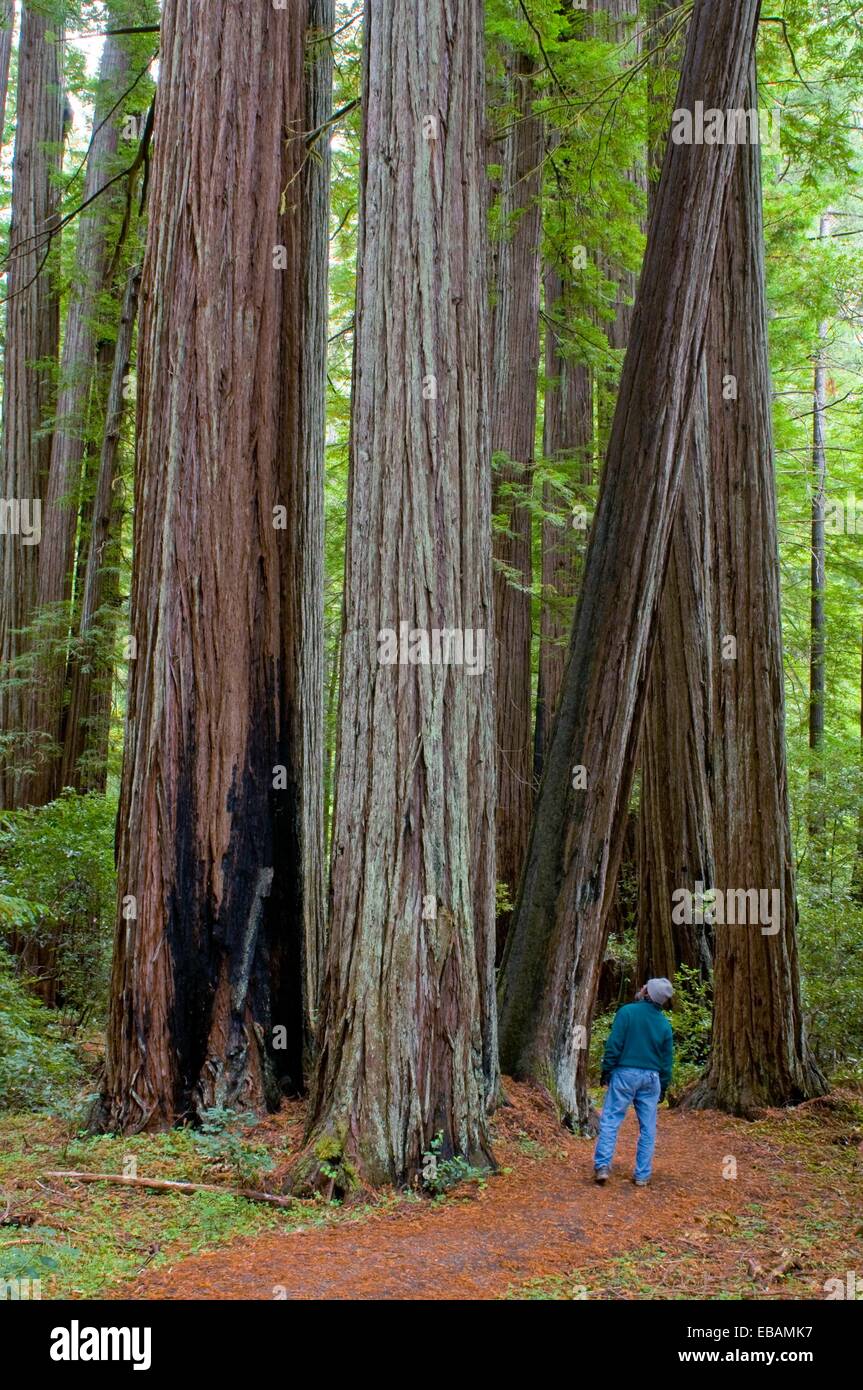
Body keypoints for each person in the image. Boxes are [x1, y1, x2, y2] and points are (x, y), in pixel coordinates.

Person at [593, 977, 674, 1187]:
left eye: (645, 987)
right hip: (652, 1078)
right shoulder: (664, 1025)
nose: (641, 988)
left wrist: (607, 1069)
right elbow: (666, 1061)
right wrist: (663, 1086)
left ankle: (602, 1166)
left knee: (611, 1118)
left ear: (647, 993)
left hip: (625, 1073)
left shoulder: (627, 1012)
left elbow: (614, 1044)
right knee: (648, 1127)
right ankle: (642, 1175)